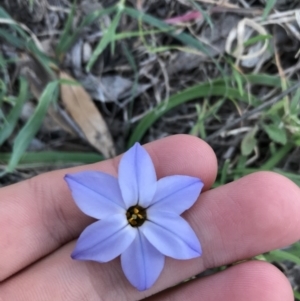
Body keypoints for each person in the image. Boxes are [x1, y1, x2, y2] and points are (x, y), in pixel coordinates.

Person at [0, 134, 299, 300]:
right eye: (134, 215)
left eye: (136, 215)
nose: (136, 215)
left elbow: (186, 196)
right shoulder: (123, 187)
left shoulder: (168, 197)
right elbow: (88, 238)